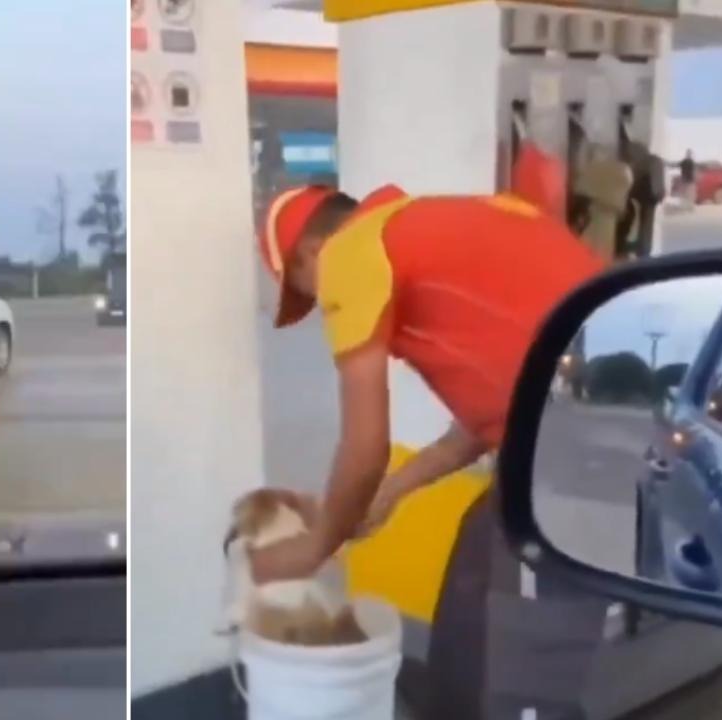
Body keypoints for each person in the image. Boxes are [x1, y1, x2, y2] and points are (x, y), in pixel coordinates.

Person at [248, 183, 609, 718]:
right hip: (580, 436)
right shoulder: (435, 225)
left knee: (528, 666)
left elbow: (364, 444)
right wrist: (391, 492)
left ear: (308, 254)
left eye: (306, 290)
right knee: (474, 573)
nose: (322, 305)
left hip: (574, 457)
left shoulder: (351, 253)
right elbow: (489, 416)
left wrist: (315, 546)